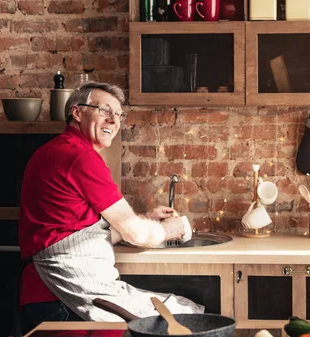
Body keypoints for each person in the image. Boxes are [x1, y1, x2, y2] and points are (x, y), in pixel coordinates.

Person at [18, 82, 204, 330]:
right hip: (62, 295)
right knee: (186, 317)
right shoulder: (80, 157)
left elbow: (76, 233)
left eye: (118, 114)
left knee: (177, 311)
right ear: (77, 112)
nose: (113, 121)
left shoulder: (57, 150)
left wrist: (144, 217)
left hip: (49, 290)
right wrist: (168, 231)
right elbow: (134, 234)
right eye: (104, 110)